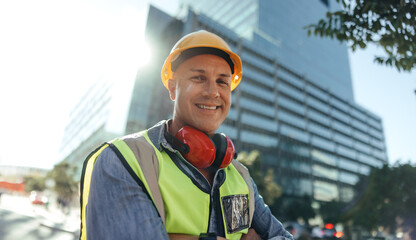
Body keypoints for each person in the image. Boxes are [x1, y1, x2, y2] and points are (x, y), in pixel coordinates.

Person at [80, 30, 293, 240]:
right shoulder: (122, 160)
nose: (212, 92)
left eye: (222, 81)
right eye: (199, 77)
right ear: (172, 88)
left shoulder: (240, 175)